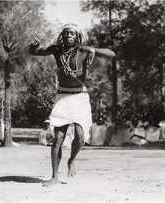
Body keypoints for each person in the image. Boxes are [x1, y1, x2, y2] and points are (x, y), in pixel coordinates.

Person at [29, 23, 115, 187]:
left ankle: (72, 160)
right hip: (62, 97)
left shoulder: (83, 50)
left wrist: (93, 49)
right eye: (66, 33)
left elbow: (112, 53)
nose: (69, 36)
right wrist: (34, 45)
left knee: (80, 136)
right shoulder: (56, 50)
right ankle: (54, 176)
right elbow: (34, 53)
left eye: (72, 34)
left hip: (79, 97)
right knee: (58, 139)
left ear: (77, 37)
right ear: (62, 36)